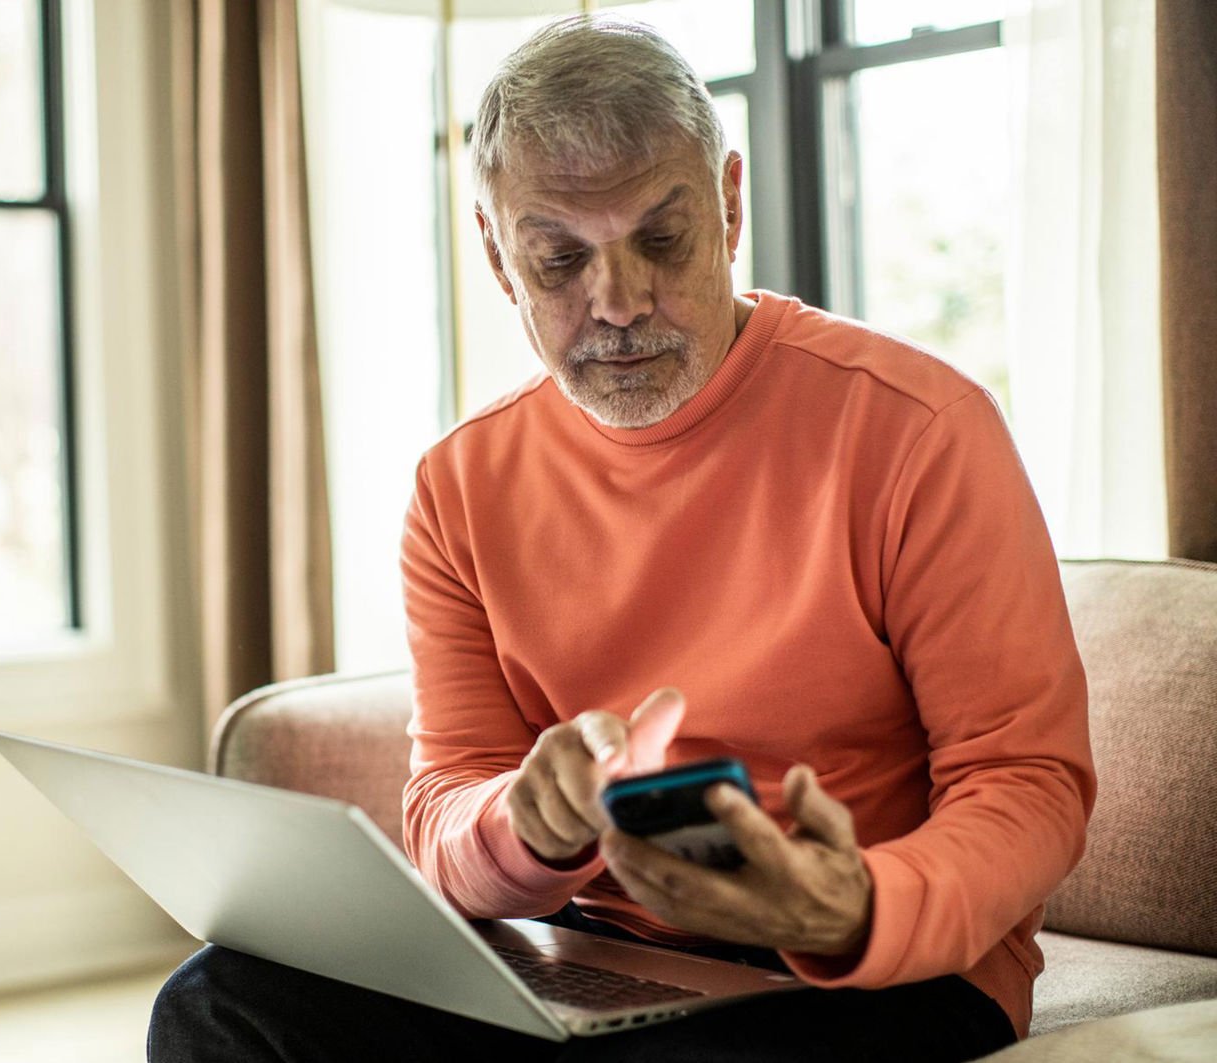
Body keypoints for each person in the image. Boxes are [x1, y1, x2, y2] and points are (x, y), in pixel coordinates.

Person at [148, 16, 1095, 1062]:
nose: (619, 304)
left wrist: (854, 904)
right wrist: (523, 824)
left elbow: (1030, 784)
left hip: (874, 968)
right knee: (220, 999)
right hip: (597, 948)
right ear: (498, 256)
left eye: (662, 239)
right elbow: (446, 809)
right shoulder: (460, 484)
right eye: (559, 259)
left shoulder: (920, 430)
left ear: (729, 204)